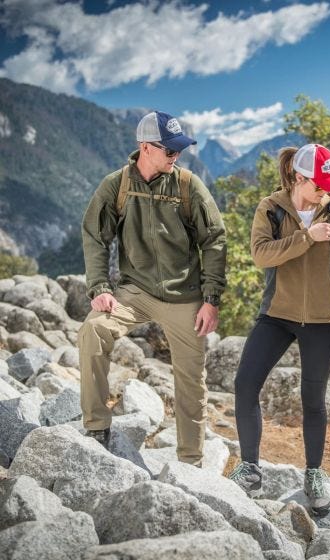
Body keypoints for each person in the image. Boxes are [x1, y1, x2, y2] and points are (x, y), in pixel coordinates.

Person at [229, 143, 330, 515]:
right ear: (298, 179)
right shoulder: (270, 208)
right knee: (244, 384)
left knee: (312, 400)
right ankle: (250, 468)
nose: (326, 193)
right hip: (277, 315)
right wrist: (306, 237)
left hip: (322, 321)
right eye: (319, 186)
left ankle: (314, 474)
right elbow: (260, 254)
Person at [78, 110, 226, 466]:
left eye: (179, 150)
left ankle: (190, 461)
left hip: (186, 297)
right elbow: (95, 236)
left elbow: (215, 241)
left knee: (191, 379)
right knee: (93, 331)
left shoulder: (189, 185)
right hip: (135, 292)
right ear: (145, 148)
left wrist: (211, 299)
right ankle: (97, 428)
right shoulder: (116, 186)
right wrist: (100, 286)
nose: (177, 156)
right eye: (170, 150)